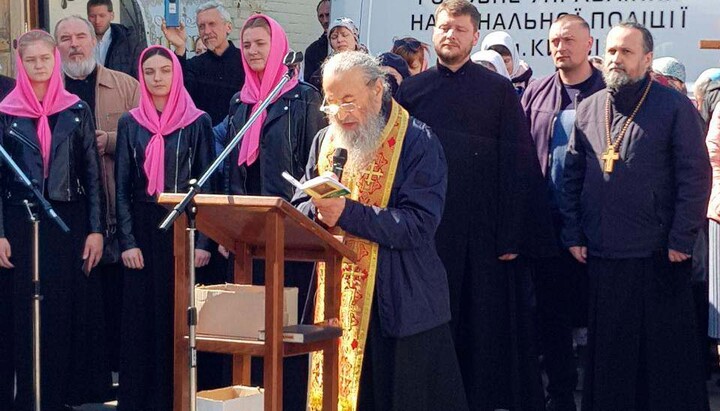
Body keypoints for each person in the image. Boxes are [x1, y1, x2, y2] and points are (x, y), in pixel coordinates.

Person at [396, 1, 553, 409]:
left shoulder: (498, 91)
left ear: (474, 37)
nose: (451, 35)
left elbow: (518, 164)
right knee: (433, 324)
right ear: (434, 33)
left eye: (460, 29)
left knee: (481, 329)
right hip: (427, 231)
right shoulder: (411, 92)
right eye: (444, 27)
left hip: (484, 234)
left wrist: (513, 233)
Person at [294, 50, 468, 411]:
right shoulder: (325, 141)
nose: (339, 113)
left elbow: (419, 225)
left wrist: (346, 212)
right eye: (331, 103)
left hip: (399, 303)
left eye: (348, 101)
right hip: (336, 303)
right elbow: (299, 206)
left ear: (377, 90)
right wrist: (314, 209)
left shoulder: (417, 141)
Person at [560, 22, 710, 410]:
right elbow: (573, 174)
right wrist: (574, 233)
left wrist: (681, 238)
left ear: (646, 59)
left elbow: (694, 176)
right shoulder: (591, 106)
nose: (616, 59)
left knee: (660, 365)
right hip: (604, 257)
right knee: (611, 361)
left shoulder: (673, 106)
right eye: (611, 51)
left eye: (626, 52)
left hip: (657, 257)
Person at [216, 14, 325, 409]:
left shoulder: (304, 97)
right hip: (248, 235)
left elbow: (316, 165)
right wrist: (229, 227)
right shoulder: (239, 101)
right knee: (251, 331)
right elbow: (233, 169)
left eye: (261, 43)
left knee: (287, 331)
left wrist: (302, 215)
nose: (253, 51)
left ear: (278, 45)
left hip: (290, 232)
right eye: (247, 46)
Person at [0, 30, 107, 410]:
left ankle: (59, 397)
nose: (39, 66)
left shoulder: (77, 109)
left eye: (45, 58)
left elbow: (92, 176)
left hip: (67, 219)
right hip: (19, 219)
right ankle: (26, 399)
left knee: (61, 309)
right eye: (31, 61)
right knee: (22, 312)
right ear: (21, 64)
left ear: (55, 59)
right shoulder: (6, 111)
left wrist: (97, 230)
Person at [115, 45, 215, 411]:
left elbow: (207, 188)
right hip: (142, 228)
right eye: (151, 72)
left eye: (164, 71)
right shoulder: (130, 122)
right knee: (141, 319)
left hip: (183, 227)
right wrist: (126, 241)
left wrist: (204, 240)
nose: (157, 78)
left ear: (176, 74)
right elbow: (123, 188)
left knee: (178, 318)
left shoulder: (197, 121)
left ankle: (174, 400)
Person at [520, 14, 605, 411]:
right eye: (554, 40)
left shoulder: (607, 93)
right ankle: (559, 395)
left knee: (598, 316)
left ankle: (599, 393)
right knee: (550, 318)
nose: (560, 47)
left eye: (569, 39)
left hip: (596, 228)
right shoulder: (535, 93)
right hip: (545, 226)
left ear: (590, 44)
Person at [55, 15, 140, 378]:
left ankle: (118, 375)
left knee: (116, 294)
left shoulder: (126, 85)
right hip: (70, 211)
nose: (74, 44)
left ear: (94, 41)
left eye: (80, 37)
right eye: (65, 39)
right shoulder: (49, 89)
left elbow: (149, 134)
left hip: (117, 207)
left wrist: (112, 139)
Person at [162, 0, 245, 125]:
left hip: (240, 136)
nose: (206, 31)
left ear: (228, 27)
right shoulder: (194, 65)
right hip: (203, 139)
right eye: (201, 26)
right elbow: (178, 92)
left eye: (212, 24)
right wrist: (179, 47)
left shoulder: (245, 61)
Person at [87, 0, 145, 78]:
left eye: (102, 16)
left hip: (121, 89)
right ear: (88, 17)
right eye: (93, 16)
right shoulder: (80, 42)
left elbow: (139, 73)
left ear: (112, 16)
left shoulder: (128, 41)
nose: (97, 21)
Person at [308, 17, 366, 92]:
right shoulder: (323, 72)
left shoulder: (368, 66)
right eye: (334, 37)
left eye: (345, 35)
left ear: (355, 39)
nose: (339, 40)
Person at [481, 30, 534, 95]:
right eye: (496, 62)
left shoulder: (531, 85)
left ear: (514, 59)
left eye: (506, 61)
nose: (502, 66)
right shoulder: (478, 83)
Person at [304, 0, 331, 81]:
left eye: (328, 15)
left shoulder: (353, 46)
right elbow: (309, 85)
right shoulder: (312, 50)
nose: (325, 20)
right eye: (321, 16)